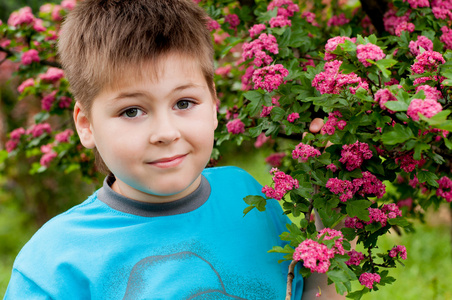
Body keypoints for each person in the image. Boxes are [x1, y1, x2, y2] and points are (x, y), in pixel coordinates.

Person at [4, 1, 344, 299]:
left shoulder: (247, 196)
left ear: (213, 103)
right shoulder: (53, 264)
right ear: (86, 124)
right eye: (131, 111)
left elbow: (308, 291)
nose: (165, 133)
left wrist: (333, 212)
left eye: (184, 102)